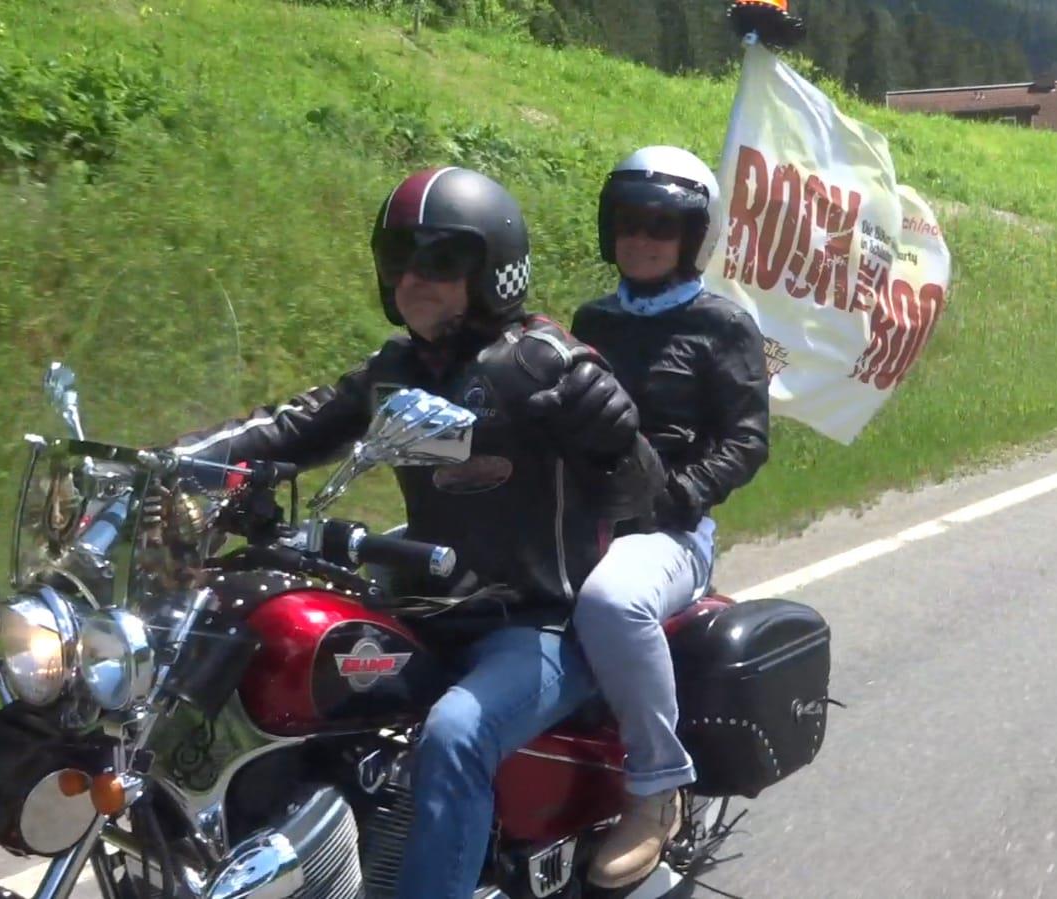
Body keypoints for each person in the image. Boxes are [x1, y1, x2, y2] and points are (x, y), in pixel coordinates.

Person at [168, 166, 664, 899]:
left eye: (440, 260)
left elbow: (642, 492)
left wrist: (615, 435)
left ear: (493, 269)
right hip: (429, 610)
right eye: (398, 259)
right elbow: (290, 428)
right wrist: (169, 466)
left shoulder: (542, 361)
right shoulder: (394, 370)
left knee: (456, 732)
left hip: (538, 623)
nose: (413, 278)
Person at [567, 146, 771, 889]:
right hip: (578, 518)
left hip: (671, 532)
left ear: (693, 238)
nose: (642, 238)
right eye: (628, 222)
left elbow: (746, 442)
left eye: (663, 225)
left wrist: (675, 498)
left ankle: (657, 787)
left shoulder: (722, 325)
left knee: (611, 603)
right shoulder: (592, 319)